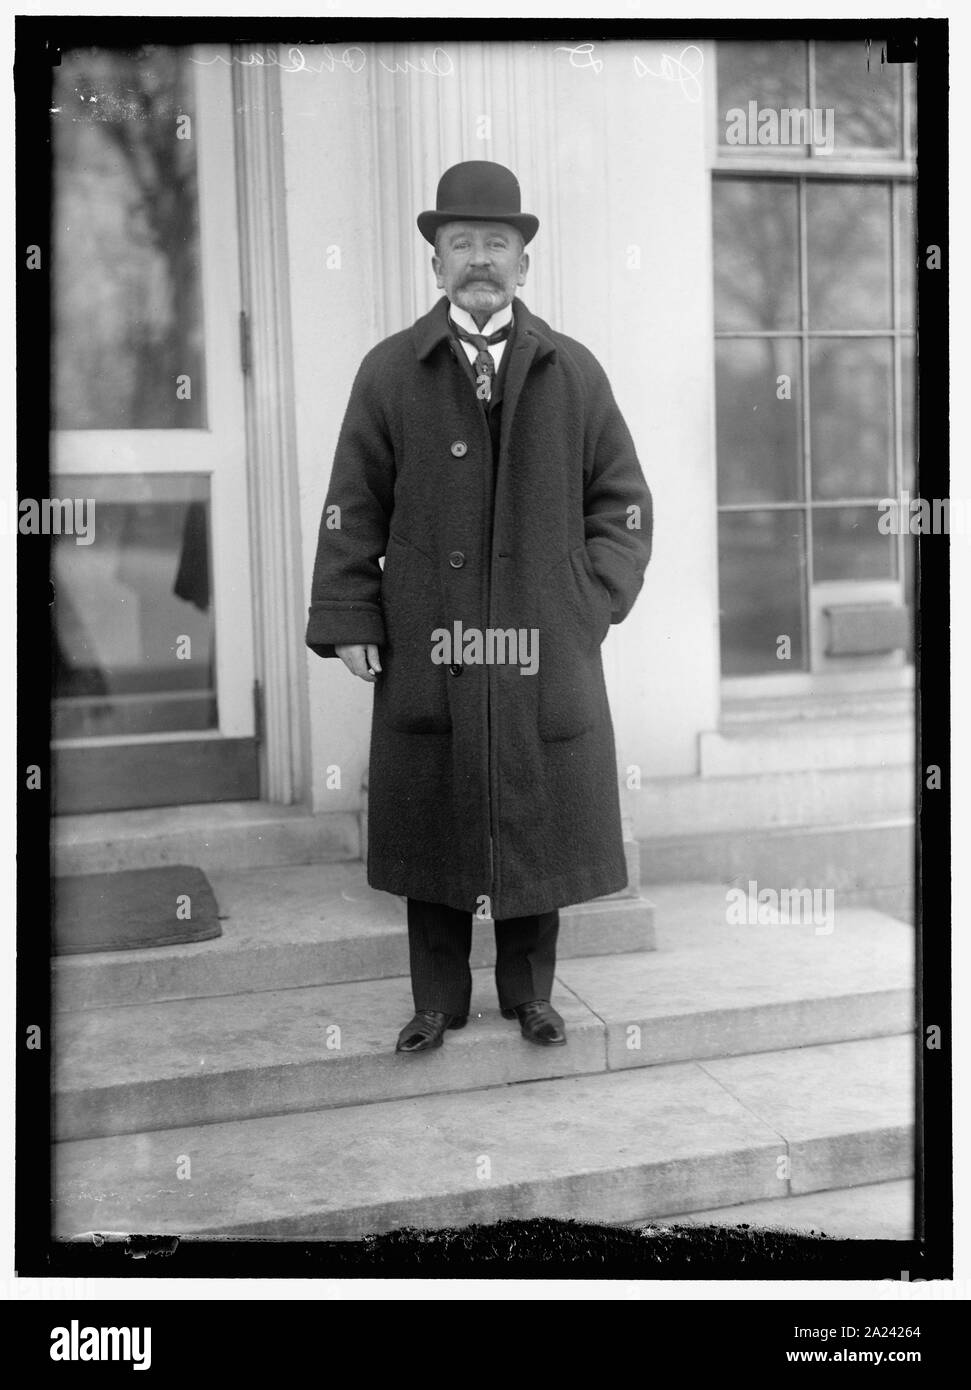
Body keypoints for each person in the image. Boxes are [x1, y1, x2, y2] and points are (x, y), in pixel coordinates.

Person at [306, 161, 653, 1054]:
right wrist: (351, 615)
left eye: (496, 244)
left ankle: (530, 995)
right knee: (435, 808)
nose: (479, 261)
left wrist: (590, 599)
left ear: (523, 262)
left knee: (533, 809)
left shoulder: (573, 372)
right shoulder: (390, 371)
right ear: (435, 263)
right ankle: (435, 1001)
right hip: (435, 635)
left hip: (543, 636)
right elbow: (354, 503)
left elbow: (621, 503)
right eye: (460, 244)